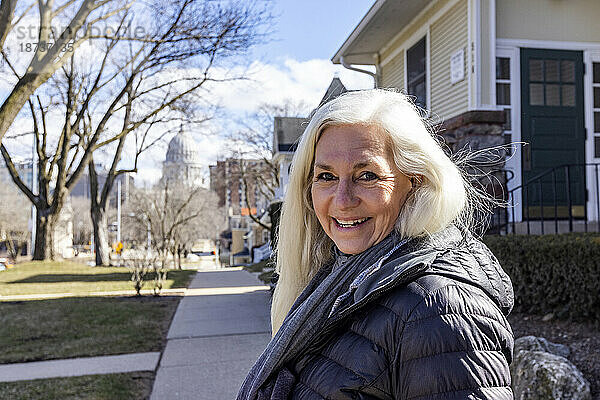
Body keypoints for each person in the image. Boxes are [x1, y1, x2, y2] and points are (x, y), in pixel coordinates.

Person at [238, 89, 514, 400]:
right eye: (326, 176)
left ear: (416, 182)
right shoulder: (337, 281)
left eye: (367, 175)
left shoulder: (438, 310)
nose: (342, 201)